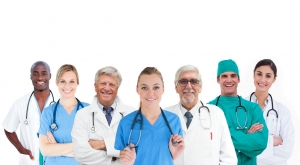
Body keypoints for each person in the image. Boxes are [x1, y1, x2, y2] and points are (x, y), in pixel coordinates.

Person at [165, 65, 237, 165]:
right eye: (183, 82)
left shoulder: (216, 113)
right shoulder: (164, 116)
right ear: (176, 87)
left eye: (194, 81)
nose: (188, 86)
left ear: (200, 87)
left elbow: (229, 159)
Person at [115, 67, 185, 165]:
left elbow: (174, 157)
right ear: (137, 89)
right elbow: (118, 159)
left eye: (156, 87)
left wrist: (175, 155)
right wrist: (125, 162)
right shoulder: (125, 123)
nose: (150, 93)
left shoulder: (174, 120)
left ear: (163, 89)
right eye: (144, 88)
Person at [208, 59, 268, 165]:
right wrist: (246, 136)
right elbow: (206, 142)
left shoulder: (253, 108)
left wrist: (220, 137)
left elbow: (261, 143)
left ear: (239, 79)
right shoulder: (208, 109)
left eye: (233, 76)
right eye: (224, 76)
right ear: (218, 79)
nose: (229, 80)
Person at [71, 66, 135, 165]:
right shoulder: (82, 115)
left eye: (112, 85)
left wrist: (102, 144)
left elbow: (136, 150)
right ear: (95, 86)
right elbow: (80, 153)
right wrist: (116, 156)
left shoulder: (132, 114)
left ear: (117, 88)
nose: (107, 88)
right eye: (103, 84)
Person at [2, 61, 55, 165]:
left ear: (50, 76)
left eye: (44, 73)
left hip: (56, 159)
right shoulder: (20, 103)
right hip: (30, 160)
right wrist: (20, 149)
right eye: (35, 74)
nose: (40, 78)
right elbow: (8, 128)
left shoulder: (60, 102)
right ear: (30, 76)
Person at [245, 59, 295, 165]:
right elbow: (235, 146)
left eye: (268, 76)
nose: (263, 80)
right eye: (259, 74)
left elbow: (286, 151)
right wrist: (272, 141)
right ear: (253, 74)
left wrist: (251, 144)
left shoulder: (283, 111)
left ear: (274, 79)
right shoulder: (239, 108)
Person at [38, 64, 89, 165]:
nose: (67, 86)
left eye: (72, 81)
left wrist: (56, 147)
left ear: (77, 83)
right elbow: (44, 150)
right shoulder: (48, 113)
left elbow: (96, 149)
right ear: (57, 83)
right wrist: (79, 147)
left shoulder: (88, 110)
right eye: (63, 81)